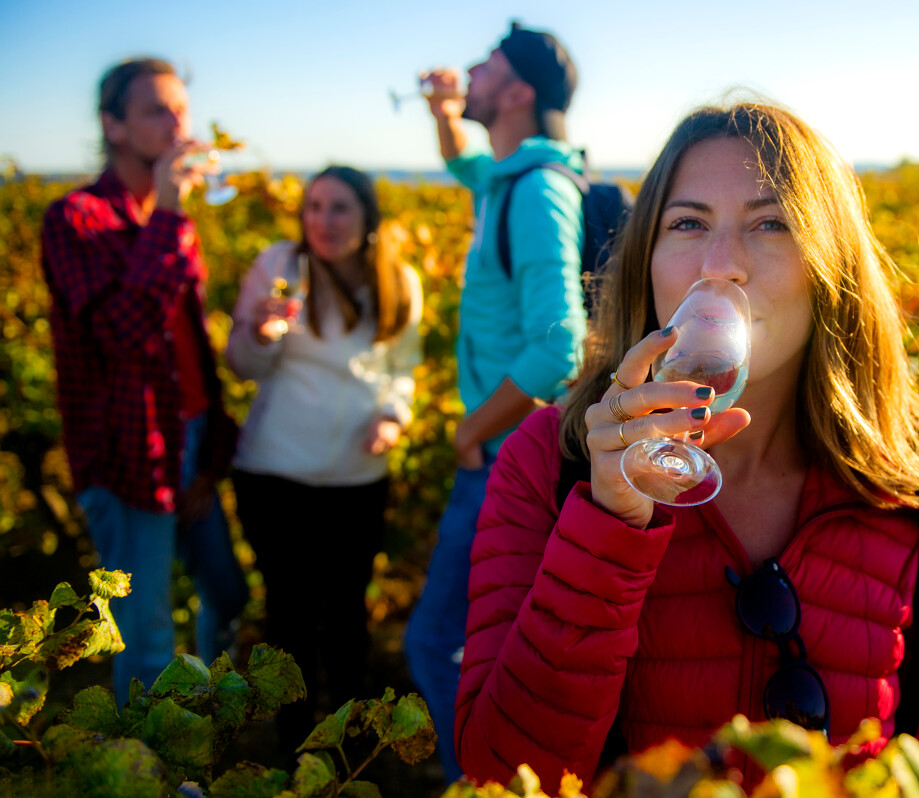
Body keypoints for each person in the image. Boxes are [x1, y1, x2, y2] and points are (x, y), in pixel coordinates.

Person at [454, 102, 919, 796]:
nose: (721, 265)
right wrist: (609, 525)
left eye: (770, 223)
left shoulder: (915, 497)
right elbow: (500, 776)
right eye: (688, 224)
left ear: (832, 266)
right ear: (646, 262)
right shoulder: (549, 464)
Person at [404, 22, 588, 782]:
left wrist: (467, 432)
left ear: (516, 92)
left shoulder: (537, 193)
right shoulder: (508, 179)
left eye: (484, 67)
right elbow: (463, 161)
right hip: (500, 447)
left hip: (501, 452)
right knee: (484, 644)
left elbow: (559, 347)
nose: (469, 71)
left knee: (436, 641)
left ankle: (479, 780)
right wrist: (444, 110)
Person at [40, 57, 247, 706]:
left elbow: (184, 344)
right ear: (115, 126)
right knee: (148, 631)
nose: (177, 122)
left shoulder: (170, 220)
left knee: (227, 592)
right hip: (128, 455)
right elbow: (124, 335)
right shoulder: (77, 219)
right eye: (158, 109)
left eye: (181, 108)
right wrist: (169, 209)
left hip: (187, 438)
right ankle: (148, 769)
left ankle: (207, 723)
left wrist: (211, 446)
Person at [226, 166, 423, 752]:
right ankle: (295, 750)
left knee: (346, 615)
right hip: (274, 474)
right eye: (314, 206)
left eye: (339, 208)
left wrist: (393, 417)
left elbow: (401, 372)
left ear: (366, 218)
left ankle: (347, 750)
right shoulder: (280, 266)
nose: (323, 220)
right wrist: (260, 334)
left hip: (358, 478)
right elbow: (241, 366)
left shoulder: (398, 280)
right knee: (288, 617)